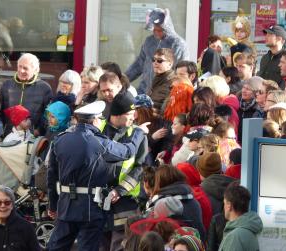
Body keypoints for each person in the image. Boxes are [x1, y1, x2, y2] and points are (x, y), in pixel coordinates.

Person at [46, 100, 149, 251]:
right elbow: (128, 151)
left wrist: (53, 205)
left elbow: (51, 176)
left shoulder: (60, 139)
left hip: (65, 206)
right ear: (95, 120)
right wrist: (139, 132)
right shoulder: (100, 143)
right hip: (91, 208)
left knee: (56, 247)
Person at [98, 92, 148, 251]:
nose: (134, 117)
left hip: (125, 202)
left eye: (135, 112)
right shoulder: (97, 130)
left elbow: (141, 168)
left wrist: (119, 191)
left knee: (121, 246)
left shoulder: (137, 135)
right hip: (96, 200)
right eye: (129, 113)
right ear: (116, 114)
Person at [125, 8, 189, 94]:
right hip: (144, 90)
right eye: (154, 30)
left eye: (160, 30)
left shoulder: (178, 44)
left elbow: (181, 71)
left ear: (166, 28)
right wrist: (123, 80)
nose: (156, 33)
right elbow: (139, 64)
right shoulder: (149, 41)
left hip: (165, 93)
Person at [0, 53, 53, 136]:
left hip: (32, 137)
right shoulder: (6, 85)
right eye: (19, 66)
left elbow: (48, 114)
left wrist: (39, 130)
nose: (21, 71)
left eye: (25, 68)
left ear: (35, 70)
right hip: (8, 136)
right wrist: (1, 131)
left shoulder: (44, 88)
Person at [219, 182, 263, 251]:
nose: (223, 207)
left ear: (229, 206)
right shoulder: (249, 229)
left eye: (224, 203)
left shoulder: (234, 237)